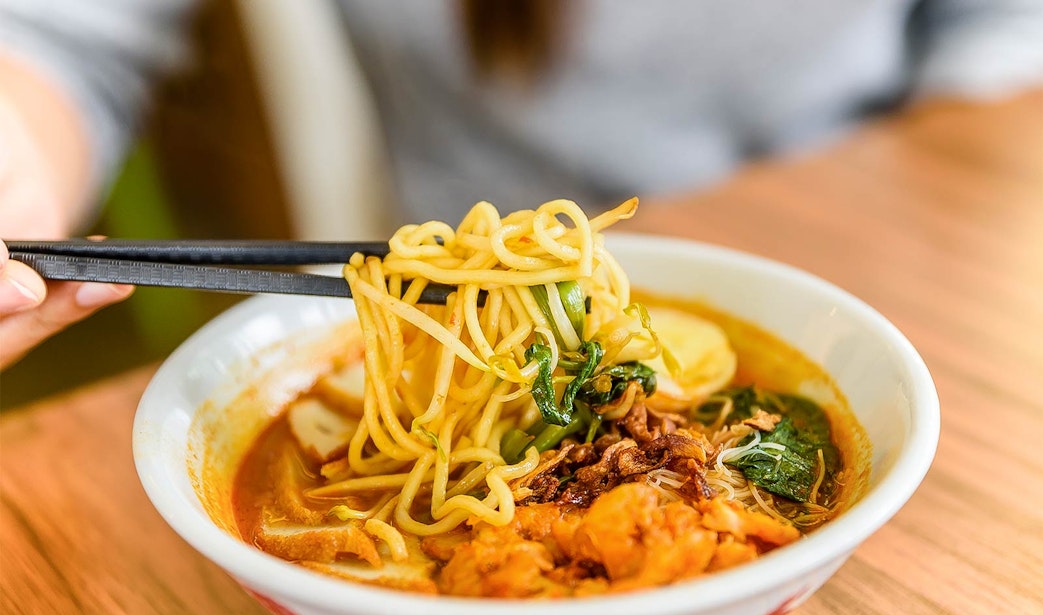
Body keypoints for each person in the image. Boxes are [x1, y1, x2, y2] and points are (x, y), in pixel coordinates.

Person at [1, 0, 1041, 370]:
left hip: (889, 268)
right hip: (447, 313)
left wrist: (907, 259)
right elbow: (59, 30)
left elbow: (1003, 26)